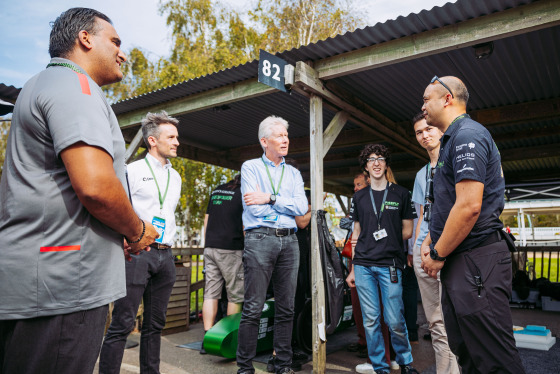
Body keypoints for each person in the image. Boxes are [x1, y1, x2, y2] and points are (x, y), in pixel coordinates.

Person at [0, 8, 158, 374]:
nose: (122, 52)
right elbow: (97, 187)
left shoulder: (37, 85)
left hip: (38, 283)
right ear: (85, 39)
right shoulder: (76, 85)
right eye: (115, 41)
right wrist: (136, 230)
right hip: (63, 286)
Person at [420, 76, 526, 373]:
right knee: (467, 352)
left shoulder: (467, 134)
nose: (423, 106)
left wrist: (438, 253)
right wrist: (432, 237)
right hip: (462, 261)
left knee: (495, 359)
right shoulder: (452, 140)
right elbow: (449, 203)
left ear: (448, 99)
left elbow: (469, 206)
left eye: (427, 99)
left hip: (476, 260)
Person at [99, 111, 181, 373]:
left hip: (166, 256)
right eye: (171, 137)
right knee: (122, 324)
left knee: (155, 326)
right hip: (137, 254)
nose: (177, 142)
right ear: (153, 141)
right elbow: (116, 209)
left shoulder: (176, 177)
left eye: (177, 137)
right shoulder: (131, 171)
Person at [237, 115, 308, 374]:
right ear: (264, 141)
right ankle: (245, 368)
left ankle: (282, 365)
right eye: (279, 136)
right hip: (260, 239)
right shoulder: (251, 167)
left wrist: (270, 197)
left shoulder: (294, 173)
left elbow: (302, 208)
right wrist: (282, 206)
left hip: (290, 241)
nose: (285, 139)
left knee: (287, 308)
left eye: (286, 136)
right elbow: (253, 211)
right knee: (253, 308)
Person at [346, 144, 419, 374]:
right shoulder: (359, 197)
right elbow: (356, 234)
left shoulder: (401, 194)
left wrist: (386, 233)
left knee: (394, 319)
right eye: (371, 159)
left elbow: (408, 230)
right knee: (370, 320)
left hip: (390, 264)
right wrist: (352, 269)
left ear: (386, 164)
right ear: (365, 167)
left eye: (380, 158)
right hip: (364, 266)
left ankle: (406, 362)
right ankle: (380, 367)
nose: (376, 163)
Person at [410, 113, 460, 374]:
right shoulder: (421, 175)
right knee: (435, 323)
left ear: (441, 130)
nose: (424, 135)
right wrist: (416, 250)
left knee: (454, 320)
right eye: (419, 132)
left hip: (447, 249)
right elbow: (421, 215)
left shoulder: (454, 164)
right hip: (423, 250)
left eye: (428, 129)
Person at [200, 174, 244, 353]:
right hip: (231, 248)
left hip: (211, 245)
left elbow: (206, 219)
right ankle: (229, 337)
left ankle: (207, 338)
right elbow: (244, 224)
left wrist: (207, 242)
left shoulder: (218, 190)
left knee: (211, 293)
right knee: (235, 294)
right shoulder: (244, 193)